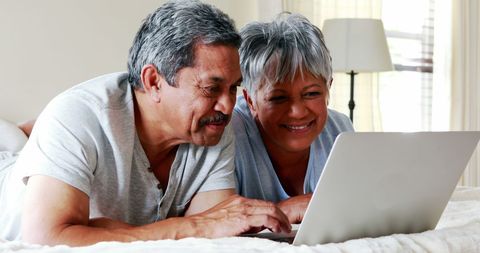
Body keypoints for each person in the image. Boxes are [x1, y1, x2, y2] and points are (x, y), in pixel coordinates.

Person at [0, 0, 291, 246]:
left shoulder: (211, 126)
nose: (228, 105)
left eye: (232, 88)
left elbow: (214, 233)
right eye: (211, 88)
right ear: (154, 82)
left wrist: (109, 229)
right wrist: (192, 226)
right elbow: (47, 238)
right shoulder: (80, 115)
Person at [232, 13, 354, 224]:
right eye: (278, 97)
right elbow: (213, 227)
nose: (297, 112)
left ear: (328, 88)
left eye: (312, 94)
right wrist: (283, 211)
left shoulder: (340, 129)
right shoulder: (229, 134)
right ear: (250, 100)